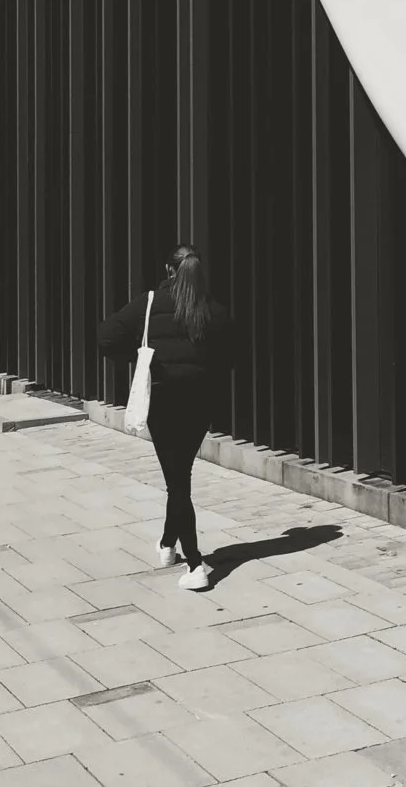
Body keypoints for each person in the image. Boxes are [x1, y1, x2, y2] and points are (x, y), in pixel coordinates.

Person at [97, 244, 234, 590]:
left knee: (177, 481)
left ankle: (196, 565)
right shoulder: (213, 311)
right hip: (199, 407)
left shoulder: (149, 303)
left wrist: (141, 358)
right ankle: (166, 544)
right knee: (179, 476)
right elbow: (230, 356)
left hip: (163, 404)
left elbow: (105, 338)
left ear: (170, 271)